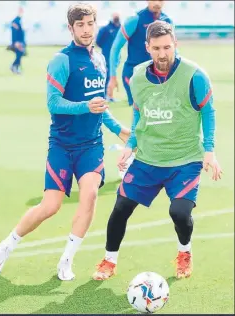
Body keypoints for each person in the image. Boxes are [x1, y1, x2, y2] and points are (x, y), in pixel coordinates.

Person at [0, 3, 130, 282]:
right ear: (71, 28)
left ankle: (67, 259)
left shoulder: (100, 59)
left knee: (89, 194)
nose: (87, 30)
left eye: (90, 23)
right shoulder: (61, 60)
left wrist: (119, 130)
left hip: (91, 145)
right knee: (50, 206)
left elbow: (99, 106)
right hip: (62, 146)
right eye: (80, 25)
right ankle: (8, 244)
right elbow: (53, 103)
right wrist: (85, 106)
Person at [93, 20, 222, 281]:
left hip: (185, 159)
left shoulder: (194, 75)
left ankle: (184, 252)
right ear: (147, 47)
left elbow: (208, 111)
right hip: (148, 158)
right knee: (120, 208)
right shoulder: (137, 76)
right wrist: (131, 144)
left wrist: (209, 151)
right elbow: (139, 112)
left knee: (180, 213)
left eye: (167, 47)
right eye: (156, 48)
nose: (162, 54)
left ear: (175, 44)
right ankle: (109, 260)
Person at [107, 0, 173, 106]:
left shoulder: (167, 21)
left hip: (157, 75)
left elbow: (173, 51)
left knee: (160, 111)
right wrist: (113, 77)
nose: (157, 2)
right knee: (142, 110)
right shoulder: (135, 20)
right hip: (134, 74)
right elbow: (115, 48)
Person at [96, 12, 121, 99]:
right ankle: (105, 95)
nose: (116, 17)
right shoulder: (106, 28)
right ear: (112, 17)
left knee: (112, 75)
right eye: (115, 16)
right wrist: (106, 48)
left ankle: (110, 95)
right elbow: (98, 41)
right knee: (106, 74)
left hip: (117, 56)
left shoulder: (120, 28)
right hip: (106, 56)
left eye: (117, 16)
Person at [9, 7, 26, 74]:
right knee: (19, 54)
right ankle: (14, 66)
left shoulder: (20, 20)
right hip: (18, 42)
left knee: (20, 54)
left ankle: (16, 67)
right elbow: (14, 33)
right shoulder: (15, 21)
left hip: (21, 41)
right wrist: (16, 42)